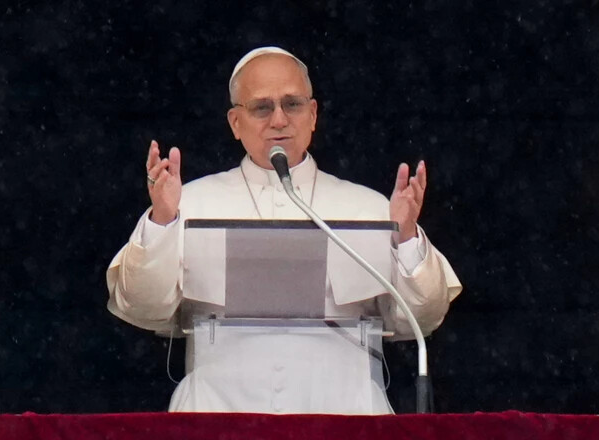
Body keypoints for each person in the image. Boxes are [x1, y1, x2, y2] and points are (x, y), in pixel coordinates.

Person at [106, 47, 462, 414]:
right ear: (235, 123)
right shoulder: (187, 205)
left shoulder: (369, 208)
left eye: (292, 104)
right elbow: (143, 307)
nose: (279, 119)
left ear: (313, 115)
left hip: (346, 416)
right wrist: (163, 222)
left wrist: (405, 239)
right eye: (262, 107)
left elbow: (422, 319)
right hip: (218, 415)